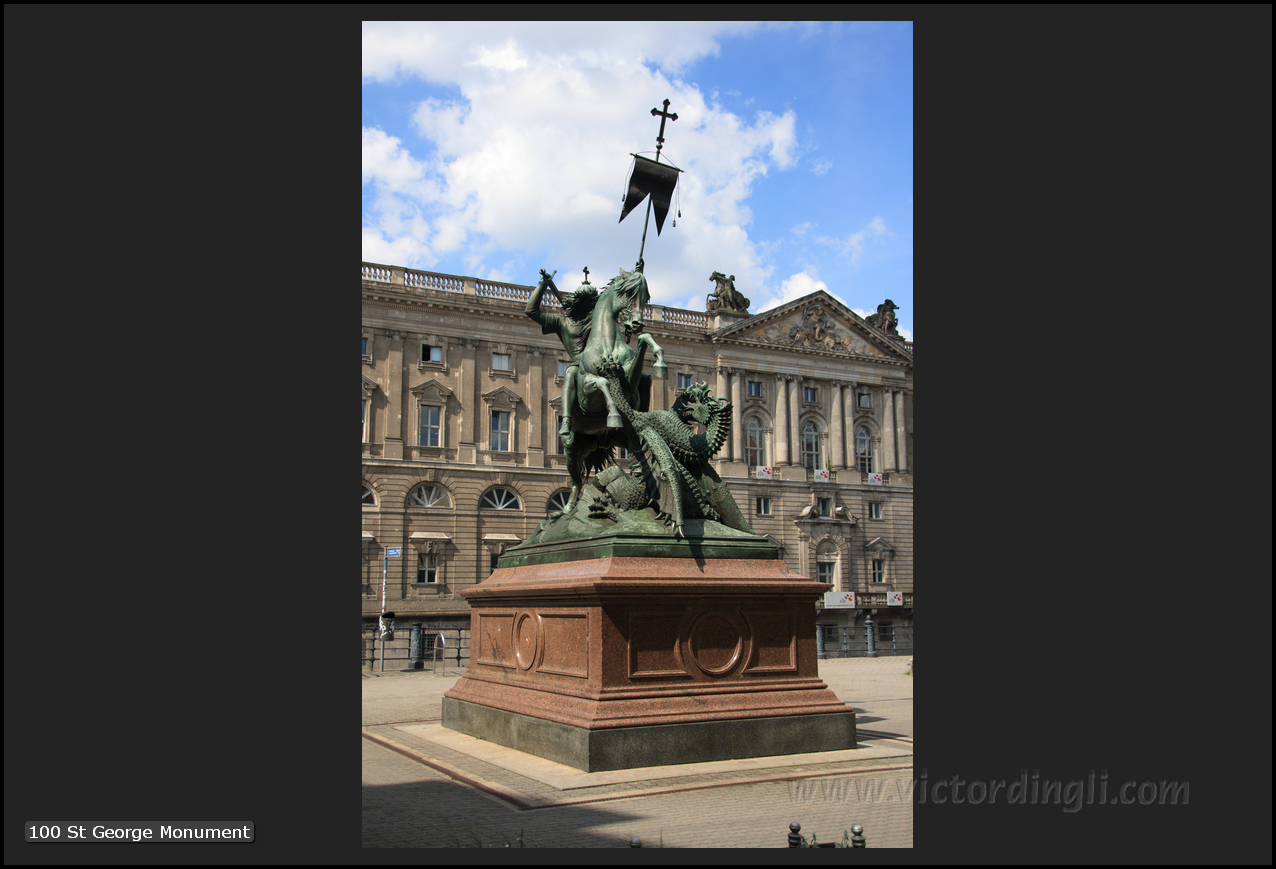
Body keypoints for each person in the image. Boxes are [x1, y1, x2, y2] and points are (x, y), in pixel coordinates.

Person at [525, 270, 597, 439]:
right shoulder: (561, 321)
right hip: (580, 365)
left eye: (593, 302)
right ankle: (566, 420)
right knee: (570, 373)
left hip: (598, 364)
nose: (591, 306)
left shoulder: (596, 320)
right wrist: (542, 285)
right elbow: (531, 311)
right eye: (588, 302)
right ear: (580, 302)